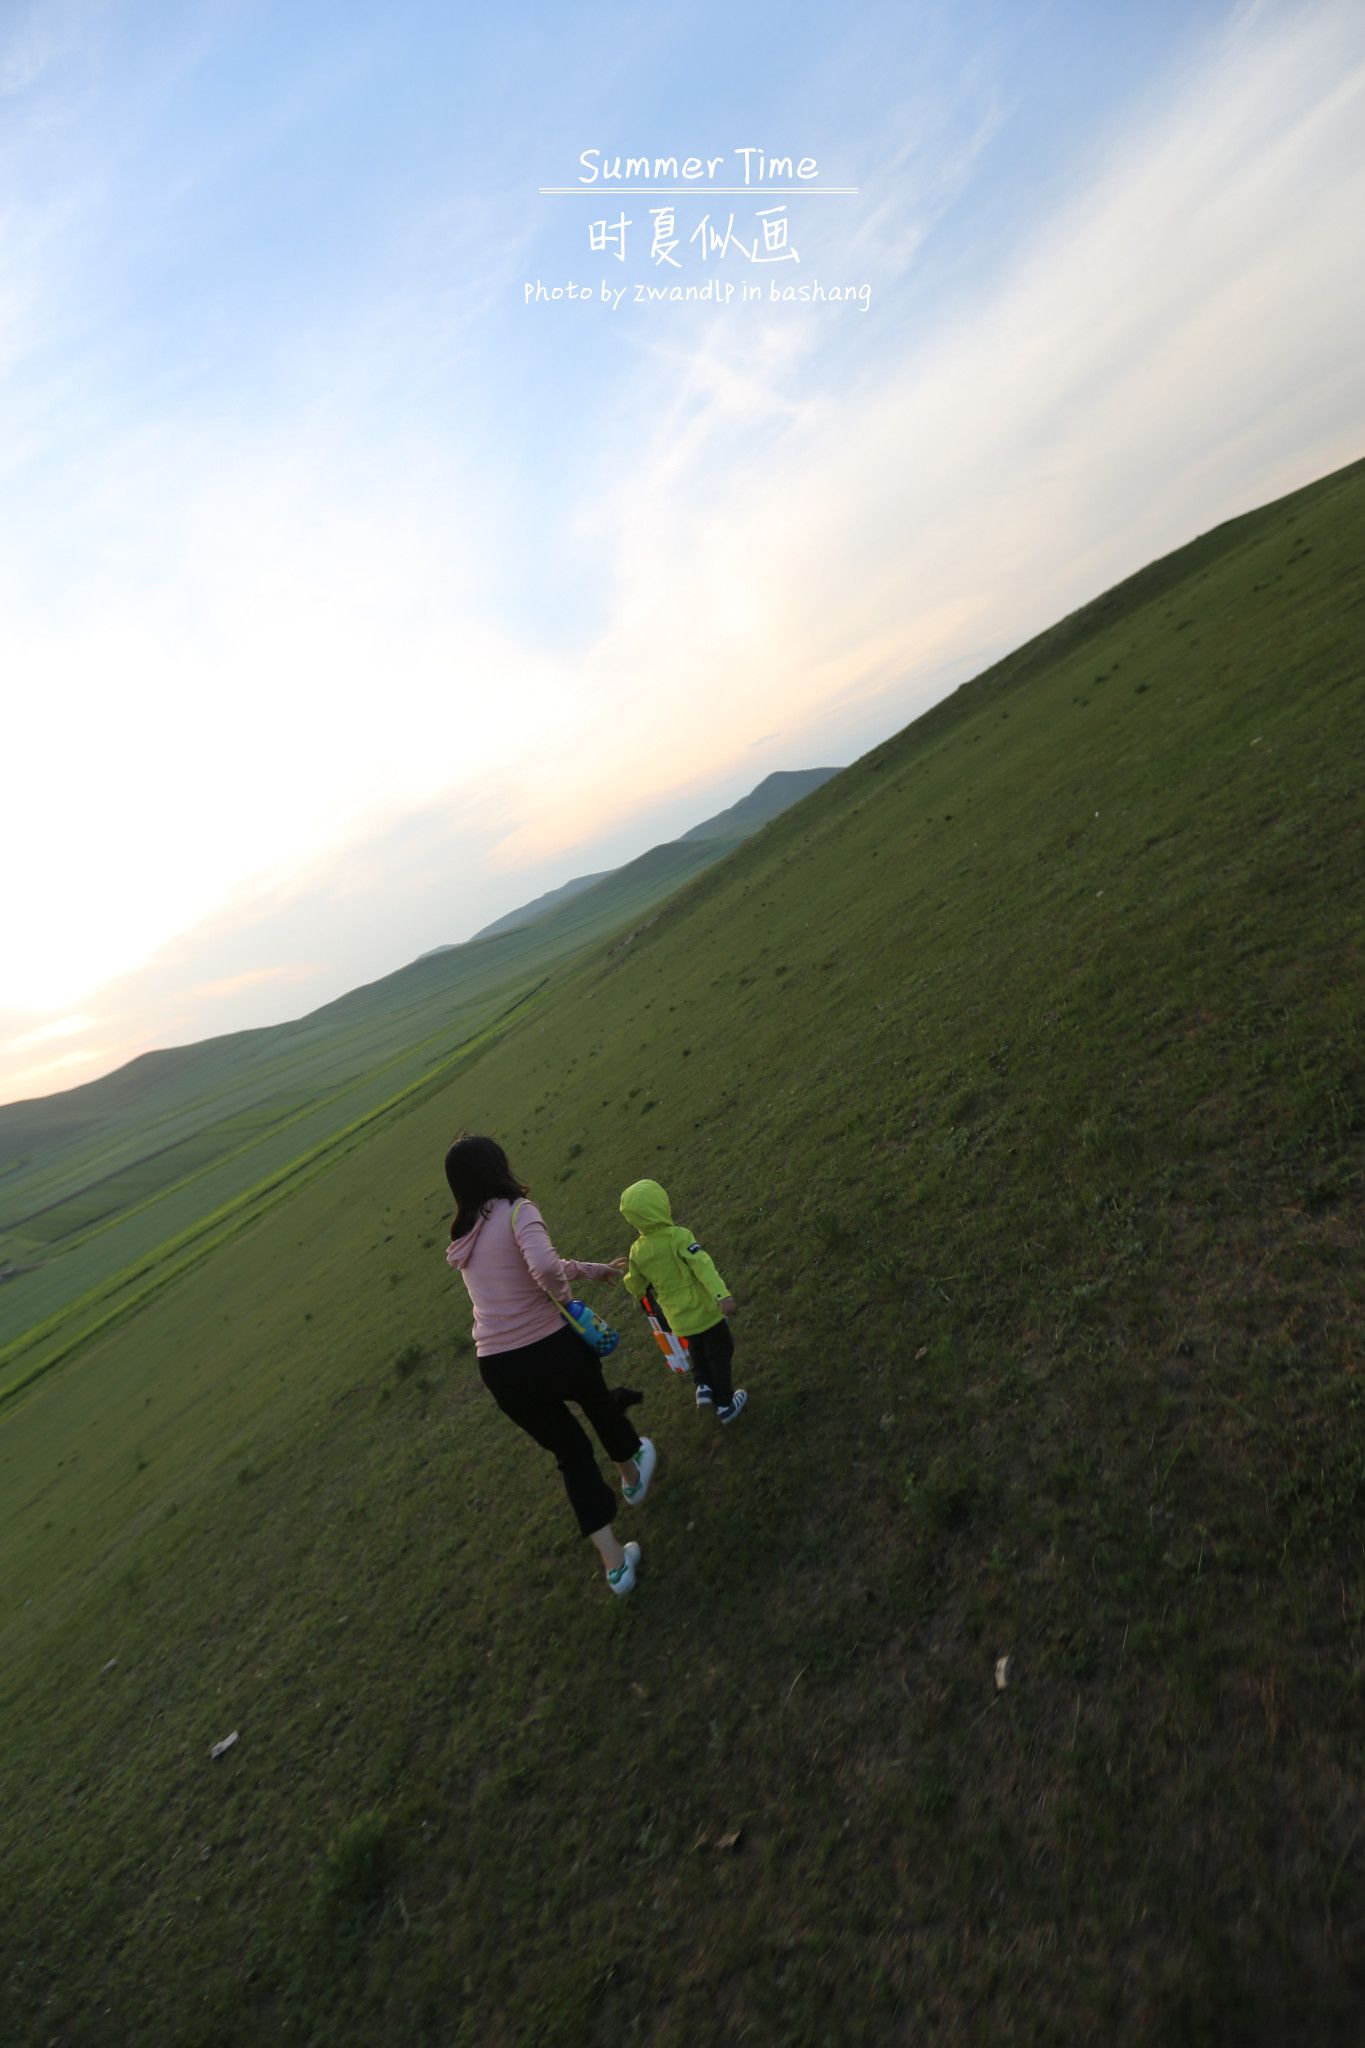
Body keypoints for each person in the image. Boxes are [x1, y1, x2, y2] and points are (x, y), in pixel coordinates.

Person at [445, 1135, 656, 1596]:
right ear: (497, 1166)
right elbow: (540, 1264)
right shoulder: (519, 1210)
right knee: (598, 1404)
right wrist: (565, 1298)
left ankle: (615, 1566)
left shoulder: (464, 1235)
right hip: (548, 1346)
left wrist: (587, 1268)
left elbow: (531, 1266)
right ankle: (633, 1479)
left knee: (571, 1454)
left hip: (498, 1370)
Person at [616, 1179, 747, 1423]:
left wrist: (637, 1295)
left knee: (696, 1348)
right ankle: (725, 1404)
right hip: (704, 1311)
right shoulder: (679, 1236)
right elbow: (703, 1266)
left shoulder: (637, 1250)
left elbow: (635, 1282)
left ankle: (703, 1386)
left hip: (677, 1319)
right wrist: (722, 1296)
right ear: (661, 1206)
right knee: (720, 1351)